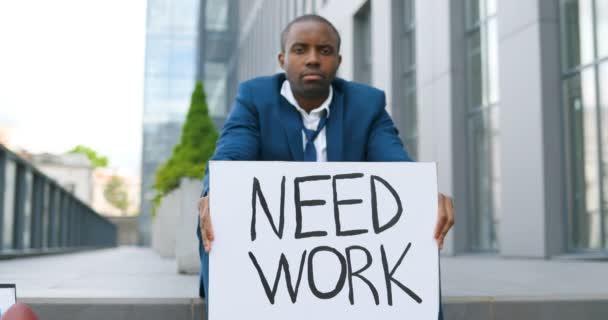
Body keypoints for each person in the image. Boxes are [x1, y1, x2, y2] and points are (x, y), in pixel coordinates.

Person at [197, 14, 454, 319]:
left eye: (325, 51)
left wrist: (423, 196)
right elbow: (232, 154)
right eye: (300, 49)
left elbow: (395, 164)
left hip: (345, 247)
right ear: (282, 59)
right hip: (276, 250)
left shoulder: (366, 104)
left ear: (338, 59)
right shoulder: (255, 97)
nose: (313, 59)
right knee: (218, 210)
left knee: (420, 219)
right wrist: (216, 193)